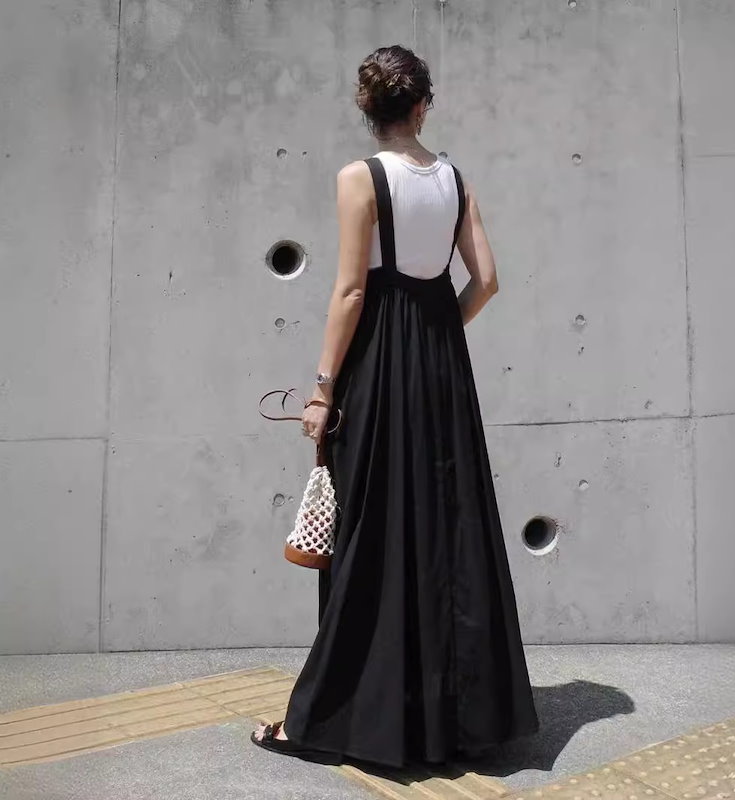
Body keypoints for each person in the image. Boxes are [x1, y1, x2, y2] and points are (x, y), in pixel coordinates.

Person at [252, 44, 539, 768]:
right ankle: (457, 725)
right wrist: (437, 333)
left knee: (368, 535)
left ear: (369, 109)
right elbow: (487, 280)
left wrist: (323, 389)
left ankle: (340, 719)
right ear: (422, 106)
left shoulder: (360, 177)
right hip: (442, 372)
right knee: (449, 530)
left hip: (377, 370)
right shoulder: (455, 180)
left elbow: (352, 290)